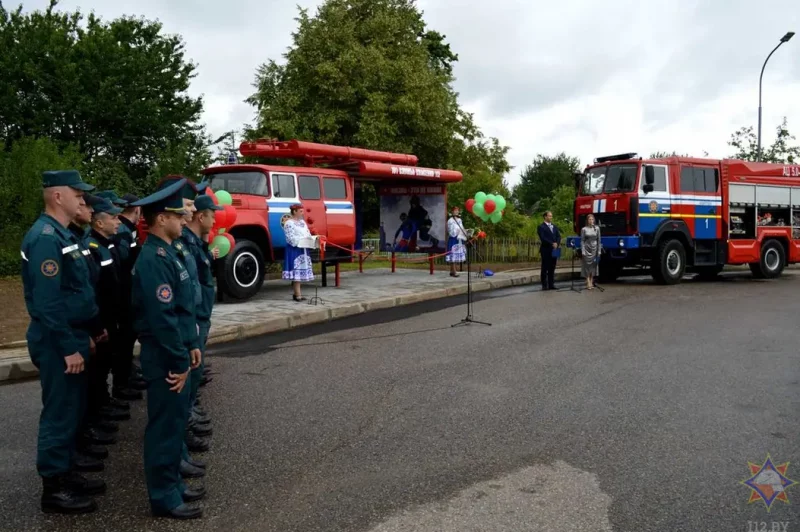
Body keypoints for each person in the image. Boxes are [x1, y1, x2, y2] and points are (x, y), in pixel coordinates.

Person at [21, 169, 106, 514]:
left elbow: (75, 291)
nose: (82, 199)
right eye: (76, 193)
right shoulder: (45, 238)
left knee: (72, 409)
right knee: (59, 413)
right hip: (57, 339)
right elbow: (47, 303)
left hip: (71, 333)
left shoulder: (61, 233)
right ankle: (54, 489)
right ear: (58, 196)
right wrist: (68, 346)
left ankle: (66, 471)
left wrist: (83, 334)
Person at [130, 178, 205, 519]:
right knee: (163, 428)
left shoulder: (169, 253)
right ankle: (163, 497)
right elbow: (162, 317)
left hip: (175, 350)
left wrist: (190, 344)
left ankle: (173, 484)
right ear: (161, 219)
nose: (184, 219)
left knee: (174, 425)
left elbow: (183, 306)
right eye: (177, 215)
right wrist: (179, 359)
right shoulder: (154, 258)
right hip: (163, 355)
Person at [83, 199, 129, 448]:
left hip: (111, 317)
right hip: (101, 318)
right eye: (113, 218)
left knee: (104, 365)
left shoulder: (106, 243)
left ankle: (103, 406)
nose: (117, 221)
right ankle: (97, 416)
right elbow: (95, 289)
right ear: (100, 222)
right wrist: (98, 325)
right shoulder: (92, 246)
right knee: (97, 370)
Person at [113, 192, 147, 397]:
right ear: (137, 209)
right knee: (124, 341)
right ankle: (122, 382)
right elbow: (124, 264)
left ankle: (128, 375)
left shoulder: (128, 229)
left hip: (128, 292)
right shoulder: (123, 231)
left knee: (128, 339)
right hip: (124, 294)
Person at [282, 204, 315, 301]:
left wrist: (311, 239)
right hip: (294, 249)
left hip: (303, 248)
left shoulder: (302, 223)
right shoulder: (289, 223)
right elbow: (290, 238)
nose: (302, 212)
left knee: (301, 270)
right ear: (294, 211)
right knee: (296, 270)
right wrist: (302, 240)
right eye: (300, 211)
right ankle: (297, 294)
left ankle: (297, 293)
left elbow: (307, 233)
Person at [537, 211, 561, 290]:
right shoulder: (541, 227)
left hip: (554, 249)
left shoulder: (554, 226)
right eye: (549, 216)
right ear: (545, 217)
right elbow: (543, 238)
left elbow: (558, 236)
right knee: (545, 267)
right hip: (546, 250)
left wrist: (557, 243)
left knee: (552, 267)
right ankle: (544, 285)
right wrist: (552, 243)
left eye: (551, 216)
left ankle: (551, 284)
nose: (551, 217)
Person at [580, 214, 602, 290]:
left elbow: (599, 240)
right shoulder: (584, 229)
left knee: (593, 266)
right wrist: (583, 250)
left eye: (592, 219)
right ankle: (587, 281)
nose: (591, 221)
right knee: (586, 266)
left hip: (594, 248)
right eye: (589, 219)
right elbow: (582, 241)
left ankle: (591, 280)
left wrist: (599, 251)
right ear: (587, 221)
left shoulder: (597, 228)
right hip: (586, 248)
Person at [445, 207, 468, 277]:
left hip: (459, 239)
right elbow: (450, 231)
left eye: (457, 210)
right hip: (453, 239)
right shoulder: (450, 221)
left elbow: (462, 227)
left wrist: (465, 231)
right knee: (453, 255)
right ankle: (454, 271)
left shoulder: (460, 220)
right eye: (455, 211)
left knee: (456, 254)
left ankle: (452, 271)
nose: (456, 212)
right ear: (452, 212)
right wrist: (456, 232)